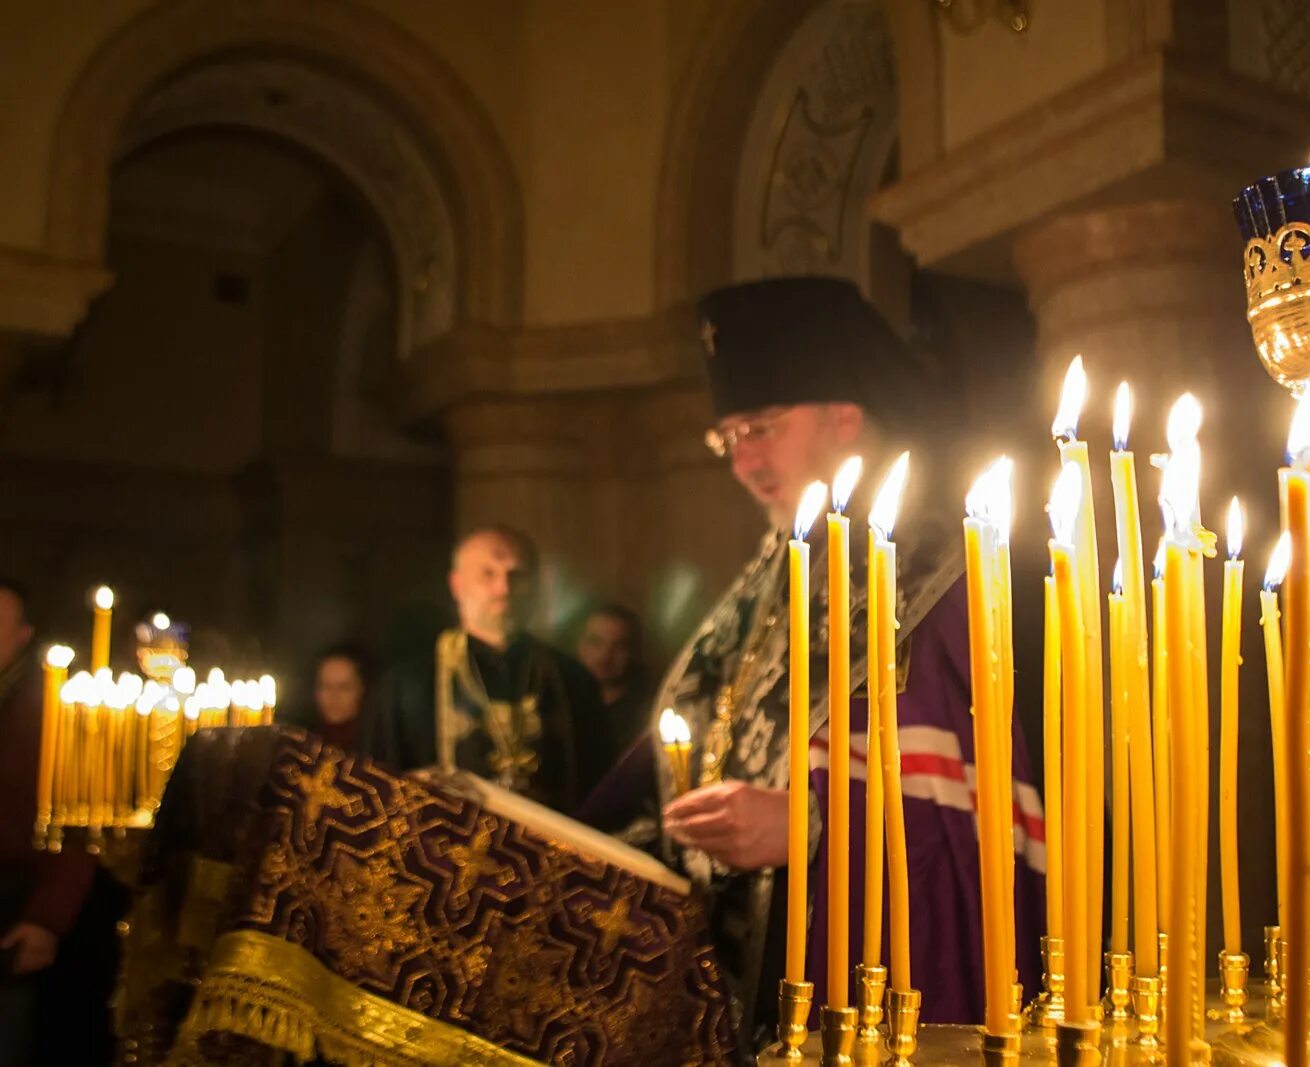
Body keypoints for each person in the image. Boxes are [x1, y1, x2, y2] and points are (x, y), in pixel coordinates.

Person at [581, 277, 1046, 1056]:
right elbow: (645, 779)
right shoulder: (763, 581)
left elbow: (988, 808)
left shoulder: (932, 573)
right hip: (711, 986)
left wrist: (816, 824)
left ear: (846, 415)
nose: (742, 460)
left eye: (760, 427)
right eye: (727, 438)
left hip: (848, 989)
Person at [365, 527, 610, 814]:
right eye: (488, 574)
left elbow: (599, 790)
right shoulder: (407, 685)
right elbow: (381, 790)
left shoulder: (571, 679)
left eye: (516, 576)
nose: (503, 589)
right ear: (457, 585)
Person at [0, 580, 97, 1064]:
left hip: (16, 904)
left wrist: (46, 919)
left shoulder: (49, 710)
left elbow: (78, 820)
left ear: (23, 635)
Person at [574, 604, 651, 754]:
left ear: (634, 652)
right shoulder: (562, 705)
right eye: (595, 642)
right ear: (579, 644)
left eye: (619, 646)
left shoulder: (645, 716)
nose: (605, 656)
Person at [286, 642, 375, 750]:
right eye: (325, 686)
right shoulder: (299, 745)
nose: (334, 696)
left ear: (362, 689)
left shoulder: (379, 746)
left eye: (344, 687)